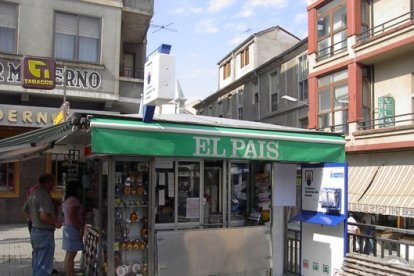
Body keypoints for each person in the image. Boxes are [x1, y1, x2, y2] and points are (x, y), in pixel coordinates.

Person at [22, 173, 62, 276]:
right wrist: (55, 222)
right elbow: (43, 216)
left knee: (37, 263)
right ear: (47, 183)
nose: (54, 185)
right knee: (44, 266)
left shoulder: (34, 193)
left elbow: (24, 209)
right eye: (53, 183)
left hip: (35, 231)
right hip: (44, 233)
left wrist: (34, 219)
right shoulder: (44, 196)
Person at [62, 181, 85, 276]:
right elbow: (72, 216)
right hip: (73, 228)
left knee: (69, 254)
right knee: (71, 254)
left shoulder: (68, 200)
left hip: (68, 227)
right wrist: (80, 227)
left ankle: (69, 273)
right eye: (80, 189)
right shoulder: (74, 201)